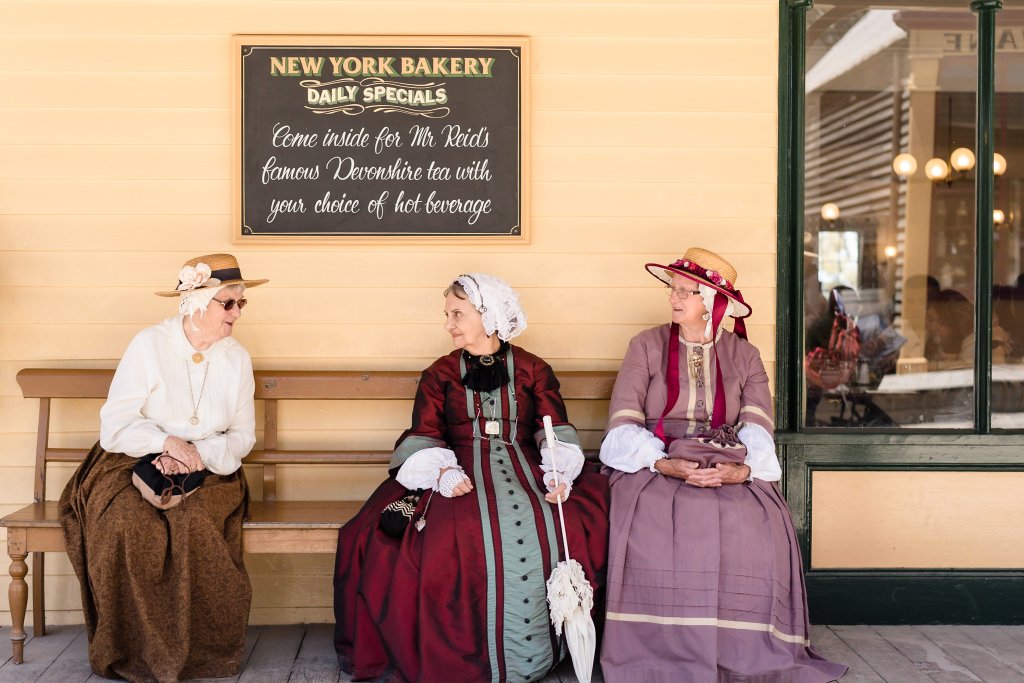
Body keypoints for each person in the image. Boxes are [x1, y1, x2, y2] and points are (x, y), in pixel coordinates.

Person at [334, 273, 609, 683]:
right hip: (458, 468)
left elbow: (552, 429)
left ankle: (544, 648)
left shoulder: (534, 368)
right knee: (449, 532)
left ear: (488, 315)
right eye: (447, 314)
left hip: (526, 464)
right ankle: (470, 653)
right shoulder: (440, 372)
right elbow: (425, 432)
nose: (449, 324)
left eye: (458, 314)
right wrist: (441, 471)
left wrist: (557, 472)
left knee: (565, 521)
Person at [598, 248, 846, 682]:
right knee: (652, 517)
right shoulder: (645, 345)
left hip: (728, 462)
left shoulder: (745, 356)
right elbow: (622, 426)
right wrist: (663, 463)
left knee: (749, 518)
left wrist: (742, 472)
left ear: (713, 302)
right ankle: (659, 651)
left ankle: (742, 648)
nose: (673, 299)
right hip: (656, 461)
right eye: (672, 291)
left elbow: (756, 428)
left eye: (684, 293)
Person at [59, 253, 267, 682]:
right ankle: (132, 653)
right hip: (131, 460)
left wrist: (195, 454)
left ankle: (199, 655)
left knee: (194, 524)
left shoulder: (237, 359)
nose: (237, 313)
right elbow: (115, 424)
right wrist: (164, 444)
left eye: (241, 304)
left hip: (210, 467)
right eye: (227, 303)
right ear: (195, 302)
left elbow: (242, 437)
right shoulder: (149, 345)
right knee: (124, 523)